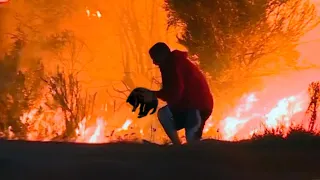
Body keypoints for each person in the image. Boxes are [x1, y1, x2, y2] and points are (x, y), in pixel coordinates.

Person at [148, 42, 214, 145]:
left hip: (196, 106)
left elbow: (175, 92)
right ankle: (179, 147)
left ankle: (185, 148)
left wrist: (154, 95)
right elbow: (172, 91)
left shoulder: (174, 64)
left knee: (191, 139)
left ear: (162, 55)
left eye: (155, 58)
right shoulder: (170, 63)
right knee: (164, 114)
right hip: (191, 106)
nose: (154, 62)